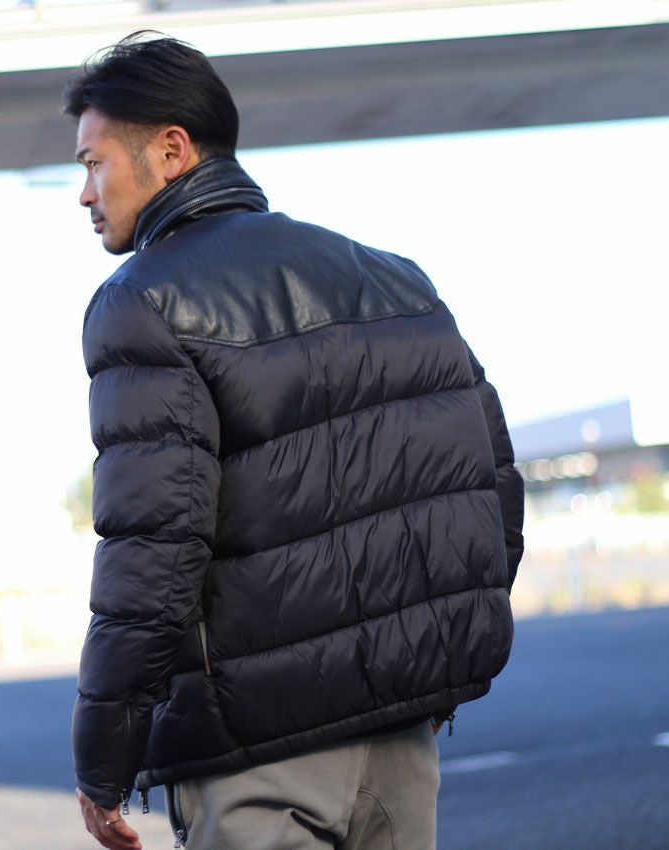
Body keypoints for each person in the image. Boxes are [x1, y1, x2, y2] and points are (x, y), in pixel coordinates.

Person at [63, 31, 524, 850]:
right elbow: (491, 489)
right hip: (399, 738)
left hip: (254, 754)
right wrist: (432, 660)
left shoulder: (141, 301)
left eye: (94, 163)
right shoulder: (395, 278)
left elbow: (154, 551)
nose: (83, 193)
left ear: (170, 151)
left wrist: (105, 758)